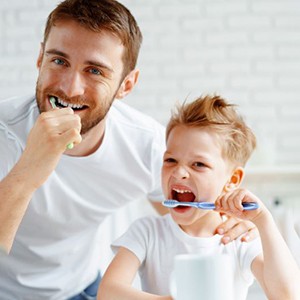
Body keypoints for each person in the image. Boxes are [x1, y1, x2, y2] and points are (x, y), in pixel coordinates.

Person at [0, 0, 257, 298]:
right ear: (40, 59)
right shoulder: (5, 132)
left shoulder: (148, 145)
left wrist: (233, 227)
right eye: (59, 61)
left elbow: (185, 220)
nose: (70, 89)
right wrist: (29, 169)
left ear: (127, 84)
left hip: (81, 288)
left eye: (95, 70)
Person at [98, 95, 300, 300]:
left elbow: (286, 295)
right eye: (170, 160)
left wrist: (263, 221)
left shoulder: (239, 239)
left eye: (198, 164)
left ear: (232, 179)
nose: (178, 173)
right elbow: (108, 293)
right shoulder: (147, 232)